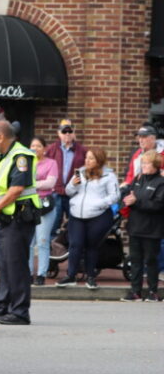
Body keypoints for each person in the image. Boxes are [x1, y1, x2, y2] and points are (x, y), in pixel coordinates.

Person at [0, 120, 40, 326]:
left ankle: (20, 312)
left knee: (16, 266)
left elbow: (17, 188)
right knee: (4, 265)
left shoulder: (21, 156)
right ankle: (1, 307)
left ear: (1, 137)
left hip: (19, 218)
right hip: (5, 219)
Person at [58, 148, 120, 289]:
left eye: (91, 158)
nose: (87, 161)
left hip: (98, 216)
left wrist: (99, 204)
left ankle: (90, 276)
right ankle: (71, 276)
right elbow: (68, 192)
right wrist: (72, 184)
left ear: (99, 160)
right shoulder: (79, 172)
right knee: (75, 244)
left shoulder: (109, 176)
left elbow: (115, 196)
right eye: (86, 158)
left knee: (91, 246)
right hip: (76, 215)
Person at [121, 150, 164, 302]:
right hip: (135, 227)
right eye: (143, 163)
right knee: (135, 261)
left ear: (155, 165)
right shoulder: (138, 179)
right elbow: (130, 196)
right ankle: (135, 292)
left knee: (151, 261)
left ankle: (153, 292)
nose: (143, 166)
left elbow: (158, 205)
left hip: (152, 229)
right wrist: (126, 199)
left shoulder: (161, 182)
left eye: (147, 163)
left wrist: (136, 202)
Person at [44, 119, 87, 238]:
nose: (67, 134)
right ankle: (52, 253)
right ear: (59, 133)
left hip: (73, 193)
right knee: (53, 224)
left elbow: (85, 169)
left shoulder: (82, 150)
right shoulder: (51, 149)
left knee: (74, 225)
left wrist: (79, 184)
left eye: (70, 131)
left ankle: (71, 252)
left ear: (74, 133)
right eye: (64, 131)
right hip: (55, 192)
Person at [28, 136, 58, 286]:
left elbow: (50, 183)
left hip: (44, 206)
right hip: (28, 206)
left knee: (42, 241)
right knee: (28, 242)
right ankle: (28, 273)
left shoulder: (51, 163)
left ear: (45, 149)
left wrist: (33, 185)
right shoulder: (26, 163)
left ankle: (41, 274)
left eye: (39, 146)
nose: (35, 148)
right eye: (33, 146)